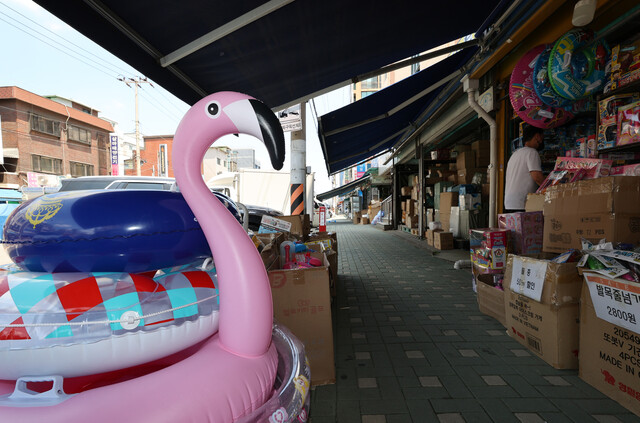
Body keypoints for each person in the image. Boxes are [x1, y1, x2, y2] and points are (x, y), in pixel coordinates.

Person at [504, 125, 545, 212]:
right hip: (522, 204)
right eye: (542, 137)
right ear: (537, 136)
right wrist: (552, 190)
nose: (542, 140)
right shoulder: (532, 152)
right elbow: (537, 177)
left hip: (509, 203)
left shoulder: (515, 154)